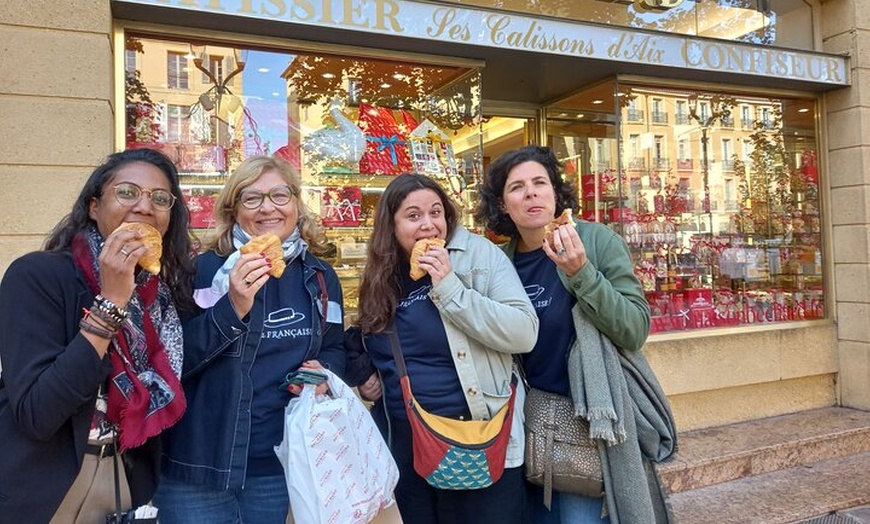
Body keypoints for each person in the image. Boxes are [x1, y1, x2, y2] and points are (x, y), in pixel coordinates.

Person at [476, 145, 676, 524]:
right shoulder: (498, 262)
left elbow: (634, 329)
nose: (531, 193)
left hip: (581, 425)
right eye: (517, 187)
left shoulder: (595, 242)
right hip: (517, 426)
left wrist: (581, 272)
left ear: (555, 193)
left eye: (540, 182)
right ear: (502, 205)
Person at [0, 148, 196, 524]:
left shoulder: (160, 297)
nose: (144, 206)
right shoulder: (36, 276)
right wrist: (111, 301)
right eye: (127, 192)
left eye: (160, 199)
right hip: (39, 485)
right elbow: (37, 413)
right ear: (93, 206)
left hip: (120, 483)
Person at [153, 155, 346, 524]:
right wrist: (233, 307)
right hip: (199, 468)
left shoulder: (321, 277)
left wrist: (326, 373)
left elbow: (334, 346)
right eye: (252, 198)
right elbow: (173, 362)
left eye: (279, 195)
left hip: (284, 465)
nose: (268, 208)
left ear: (296, 204)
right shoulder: (201, 271)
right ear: (234, 209)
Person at [344, 173, 539, 524]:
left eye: (436, 213)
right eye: (414, 216)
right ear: (392, 225)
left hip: (475, 441)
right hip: (406, 446)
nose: (429, 225)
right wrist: (364, 372)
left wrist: (450, 287)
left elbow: (524, 333)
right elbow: (367, 336)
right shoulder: (381, 275)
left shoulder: (477, 256)